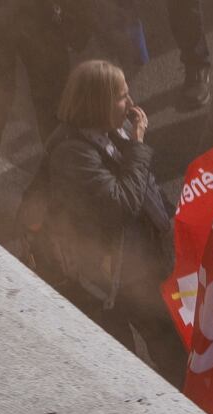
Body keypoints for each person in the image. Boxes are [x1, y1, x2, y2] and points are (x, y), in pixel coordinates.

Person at [35, 62, 180, 374]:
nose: (130, 104)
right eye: (121, 96)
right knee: (136, 361)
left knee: (171, 344)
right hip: (110, 280)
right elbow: (123, 202)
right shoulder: (72, 154)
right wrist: (138, 145)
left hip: (136, 265)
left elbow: (146, 188)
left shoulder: (109, 133)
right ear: (96, 102)